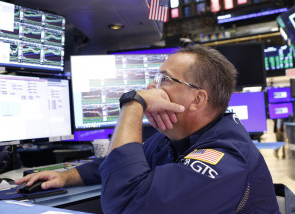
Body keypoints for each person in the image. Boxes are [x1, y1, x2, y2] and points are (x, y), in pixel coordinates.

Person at [16, 45, 279, 213]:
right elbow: (121, 163)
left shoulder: (227, 156)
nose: (151, 88)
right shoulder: (175, 137)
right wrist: (67, 175)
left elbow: (126, 205)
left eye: (165, 79)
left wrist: (133, 104)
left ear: (198, 99)